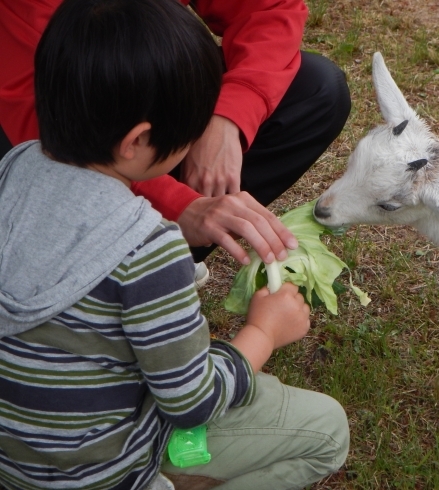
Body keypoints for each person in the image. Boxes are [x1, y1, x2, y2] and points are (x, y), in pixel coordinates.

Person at [0, 0, 349, 488]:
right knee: (326, 430)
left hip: (14, 467)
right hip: (105, 475)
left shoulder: (10, 173)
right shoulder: (148, 249)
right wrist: (264, 333)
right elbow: (191, 401)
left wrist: (232, 113)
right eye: (192, 125)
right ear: (138, 139)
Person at [0, 0, 352, 279]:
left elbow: (269, 8)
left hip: (115, 93)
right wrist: (179, 207)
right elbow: (50, 123)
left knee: (316, 88)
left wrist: (229, 115)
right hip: (23, 116)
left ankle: (162, 249)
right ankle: (132, 257)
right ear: (138, 139)